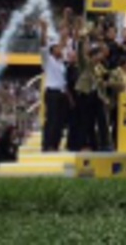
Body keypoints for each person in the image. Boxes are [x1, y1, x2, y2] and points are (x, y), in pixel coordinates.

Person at [40, 19, 69, 152]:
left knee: (59, 121)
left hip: (61, 94)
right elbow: (43, 45)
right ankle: (47, 145)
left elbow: (64, 42)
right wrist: (44, 30)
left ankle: (55, 145)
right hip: (52, 93)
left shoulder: (61, 62)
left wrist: (64, 32)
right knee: (51, 120)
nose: (60, 48)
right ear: (52, 50)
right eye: (57, 47)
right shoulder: (48, 60)